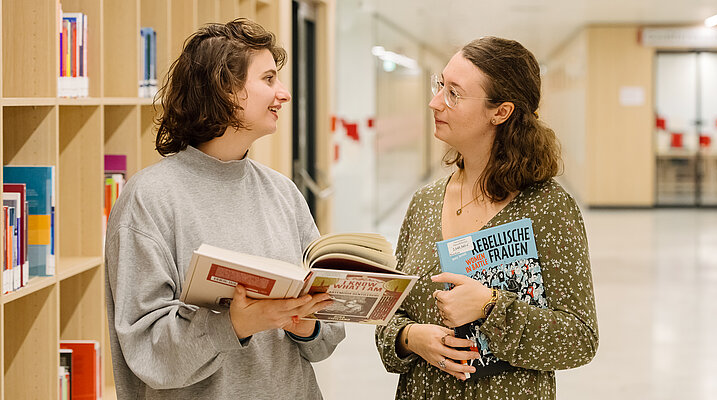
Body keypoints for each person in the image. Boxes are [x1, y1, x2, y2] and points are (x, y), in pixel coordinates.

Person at [105, 19, 344, 400]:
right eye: (268, 79)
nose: (282, 93)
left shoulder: (282, 192)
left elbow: (328, 335)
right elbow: (147, 352)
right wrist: (233, 324)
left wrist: (304, 323)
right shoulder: (148, 200)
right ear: (225, 89)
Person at [375, 36, 598, 399]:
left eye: (454, 94)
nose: (435, 103)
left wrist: (491, 306)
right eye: (439, 85)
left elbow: (579, 339)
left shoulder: (546, 207)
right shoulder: (425, 202)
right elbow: (389, 319)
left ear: (501, 111)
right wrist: (410, 338)